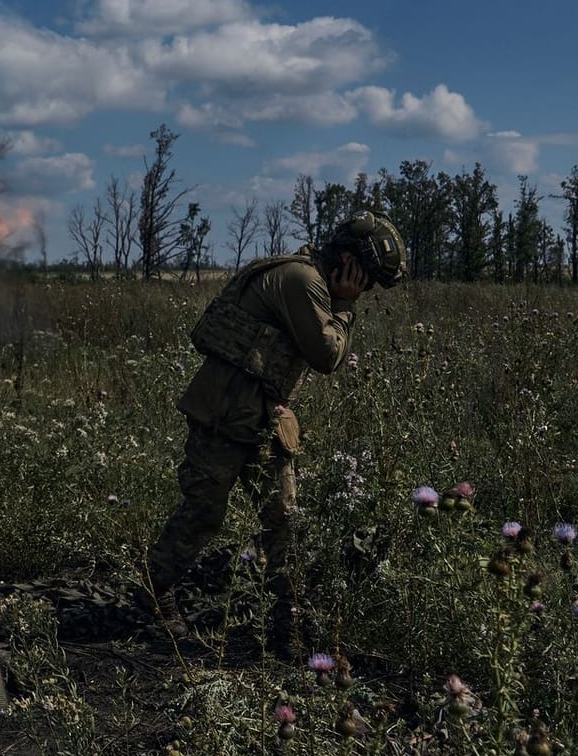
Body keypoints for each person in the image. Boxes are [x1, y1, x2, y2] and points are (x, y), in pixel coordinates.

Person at [145, 211, 406, 655]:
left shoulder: (312, 280)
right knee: (204, 513)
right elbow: (326, 354)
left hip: (265, 420)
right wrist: (344, 308)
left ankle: (289, 627)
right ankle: (155, 596)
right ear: (349, 260)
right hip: (224, 417)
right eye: (369, 280)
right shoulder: (301, 281)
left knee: (284, 523)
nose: (368, 291)